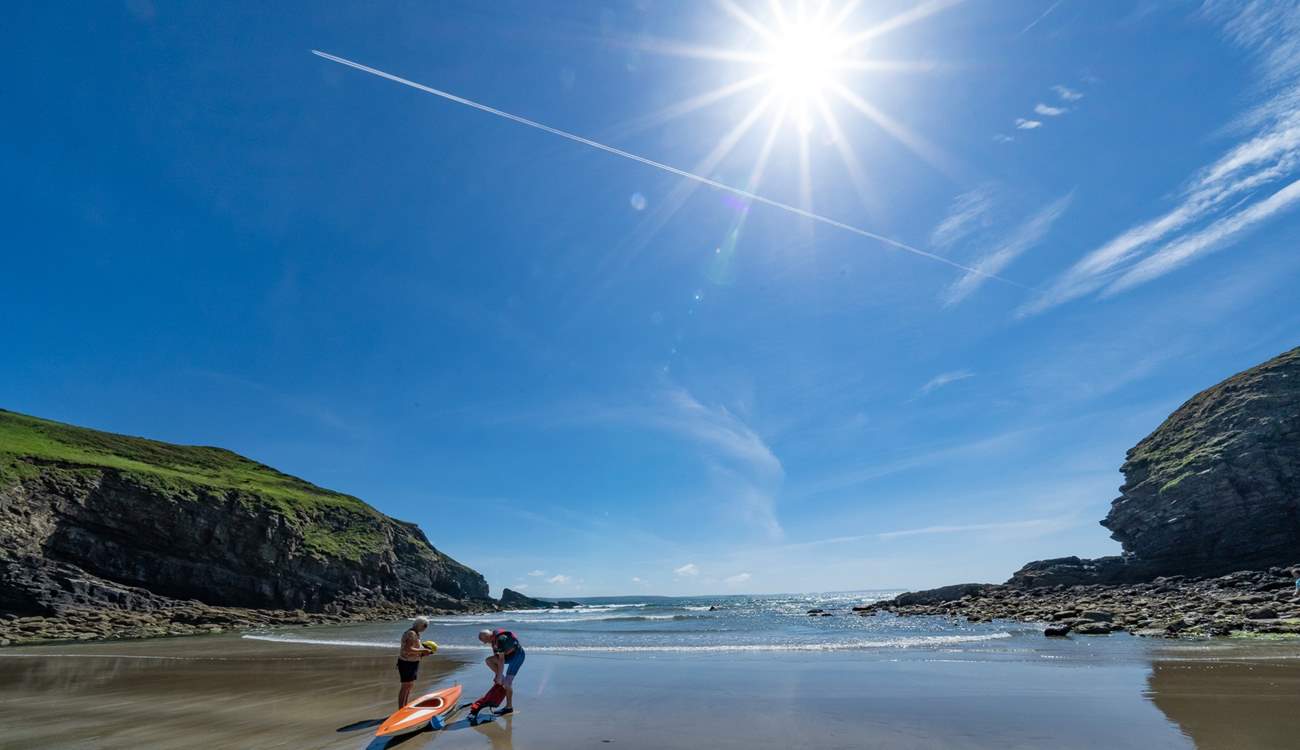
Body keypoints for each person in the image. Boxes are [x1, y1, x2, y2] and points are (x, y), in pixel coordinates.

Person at [468, 627, 525, 720]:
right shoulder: (493, 640)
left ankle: (509, 707)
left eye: (484, 641)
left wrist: (499, 676)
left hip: (517, 657)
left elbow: (501, 660)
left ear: (488, 636)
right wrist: (498, 674)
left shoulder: (501, 639)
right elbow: (496, 658)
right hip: (508, 656)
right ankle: (501, 679)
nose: (484, 643)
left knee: (507, 683)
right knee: (489, 660)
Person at [396, 616, 434, 708]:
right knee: (405, 686)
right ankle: (401, 708)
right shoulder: (411, 633)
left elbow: (413, 649)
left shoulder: (415, 633)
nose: (425, 629)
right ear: (421, 625)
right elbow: (408, 649)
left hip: (412, 662)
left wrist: (422, 653)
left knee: (409, 685)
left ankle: (404, 706)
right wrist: (423, 650)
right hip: (406, 662)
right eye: (425, 626)